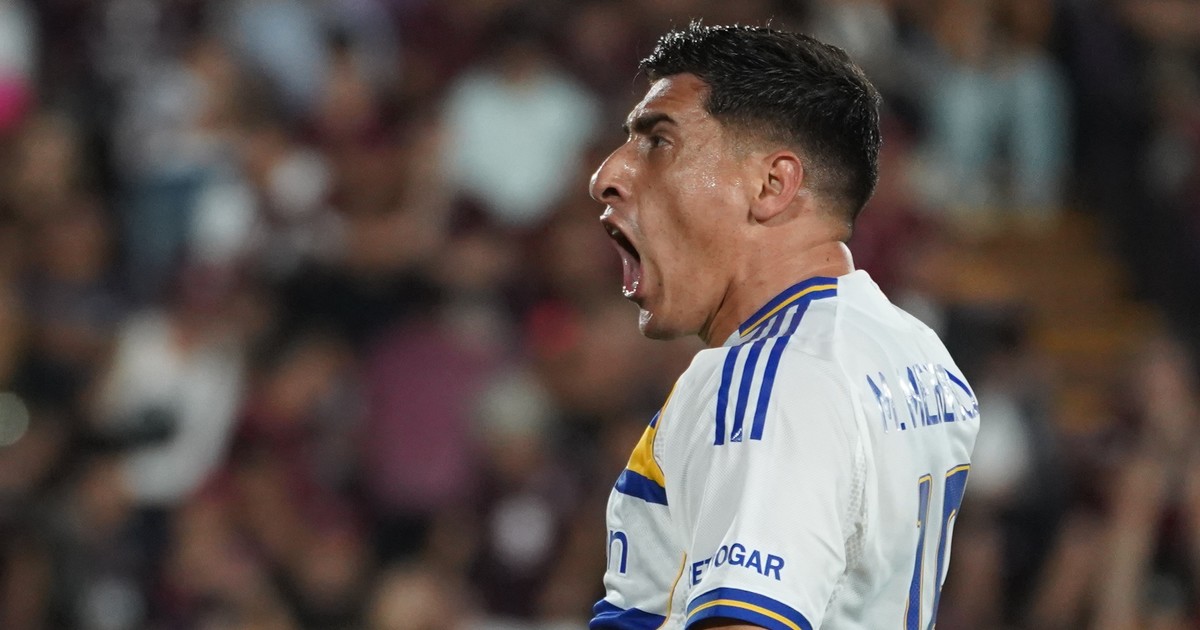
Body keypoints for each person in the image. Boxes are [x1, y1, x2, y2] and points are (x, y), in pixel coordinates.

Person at [587, 23, 981, 630]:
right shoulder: (913, 346)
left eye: (658, 141)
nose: (606, 176)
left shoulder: (775, 377)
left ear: (772, 185)